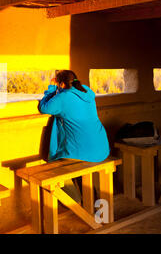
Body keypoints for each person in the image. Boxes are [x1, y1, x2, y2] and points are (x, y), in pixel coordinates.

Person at [39, 70, 110, 203]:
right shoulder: (86, 92)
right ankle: (92, 203)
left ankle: (75, 203)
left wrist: (52, 89)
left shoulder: (63, 97)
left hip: (84, 152)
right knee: (78, 165)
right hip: (102, 148)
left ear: (61, 84)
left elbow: (44, 108)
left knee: (60, 166)